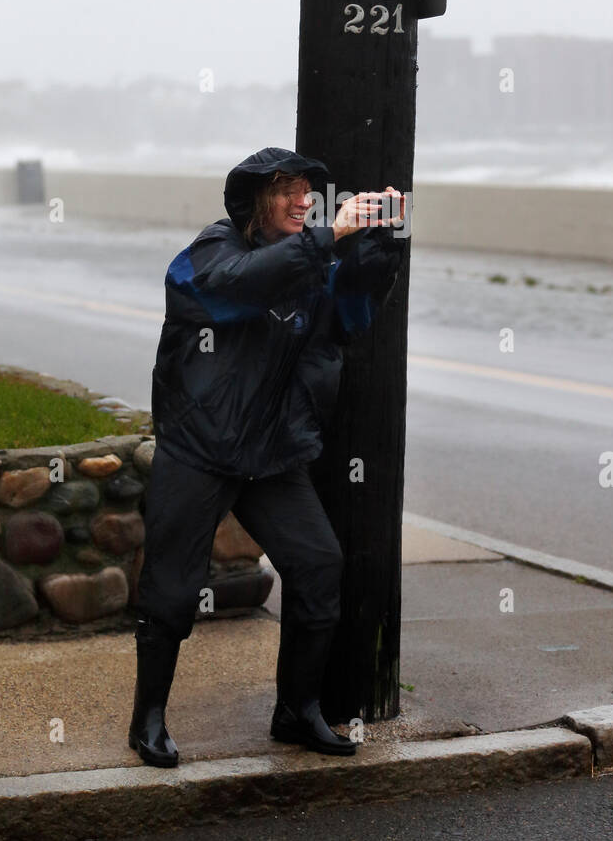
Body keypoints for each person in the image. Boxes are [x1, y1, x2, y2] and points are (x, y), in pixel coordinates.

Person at [129, 146, 408, 766]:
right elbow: (236, 288)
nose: (302, 200)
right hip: (198, 445)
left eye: (308, 190)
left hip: (270, 452)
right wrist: (328, 237)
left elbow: (353, 310)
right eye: (287, 189)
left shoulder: (309, 257)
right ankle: (147, 718)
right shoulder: (210, 252)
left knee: (317, 564)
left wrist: (382, 237)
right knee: (173, 587)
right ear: (257, 197)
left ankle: (296, 711)